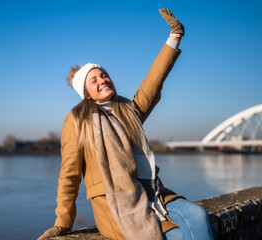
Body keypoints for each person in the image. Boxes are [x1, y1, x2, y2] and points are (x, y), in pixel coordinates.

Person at [38, 8, 214, 240]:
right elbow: (69, 175)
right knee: (178, 237)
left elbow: (153, 82)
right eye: (94, 79)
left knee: (198, 215)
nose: (103, 80)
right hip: (118, 205)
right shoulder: (76, 120)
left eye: (104, 75)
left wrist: (174, 37)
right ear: (85, 92)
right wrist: (63, 223)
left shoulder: (128, 111)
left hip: (154, 194)